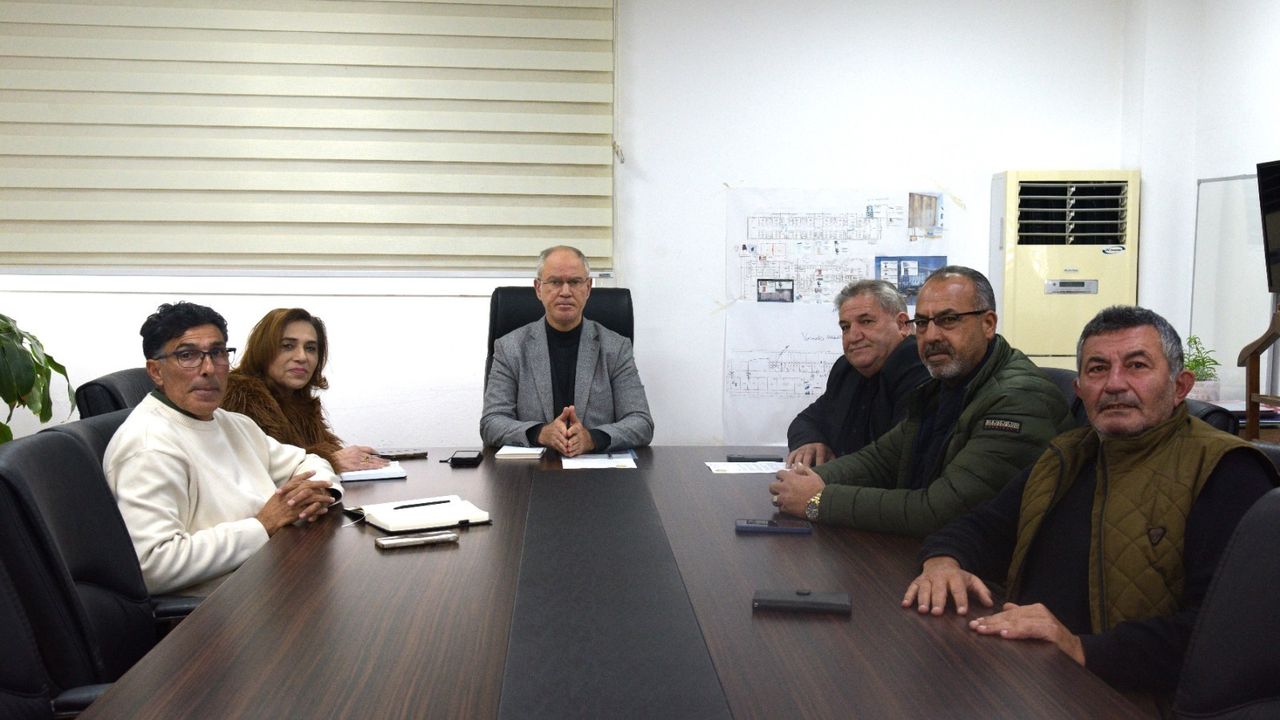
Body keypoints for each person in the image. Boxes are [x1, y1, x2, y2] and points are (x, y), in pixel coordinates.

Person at [902, 305, 1278, 699]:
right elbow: (982, 526)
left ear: (1180, 386)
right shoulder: (1066, 455)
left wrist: (1081, 647)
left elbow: (1228, 632)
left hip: (1127, 697)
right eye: (1097, 369)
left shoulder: (1227, 471)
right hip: (1029, 675)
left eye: (1136, 366)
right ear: (1080, 390)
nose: (1114, 384)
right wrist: (943, 561)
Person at [769, 266, 1073, 535]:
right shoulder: (946, 385)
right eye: (924, 323)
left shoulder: (1019, 399)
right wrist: (805, 480)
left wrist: (818, 500)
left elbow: (940, 510)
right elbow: (880, 459)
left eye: (948, 320)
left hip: (997, 571)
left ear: (988, 324)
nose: (931, 335)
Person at [104, 302, 342, 595]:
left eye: (217, 353)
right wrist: (263, 525)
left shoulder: (232, 423)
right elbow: (153, 565)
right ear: (156, 371)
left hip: (274, 575)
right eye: (187, 355)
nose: (208, 369)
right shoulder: (148, 445)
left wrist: (318, 491)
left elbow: (306, 461)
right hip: (222, 608)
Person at [480, 245, 654, 456]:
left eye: (574, 282)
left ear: (588, 288)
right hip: (533, 469)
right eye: (555, 282)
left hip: (597, 467)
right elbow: (491, 423)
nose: (565, 292)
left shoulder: (615, 348)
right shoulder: (510, 348)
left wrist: (592, 438)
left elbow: (641, 422)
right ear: (538, 288)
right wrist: (540, 433)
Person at [222, 307, 388, 474]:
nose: (302, 357)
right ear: (262, 351)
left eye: (310, 348)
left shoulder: (300, 402)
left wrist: (353, 459)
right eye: (288, 346)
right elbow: (262, 468)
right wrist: (330, 460)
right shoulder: (241, 396)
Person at [786, 279, 929, 466]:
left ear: (902, 325)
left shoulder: (919, 364)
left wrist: (828, 477)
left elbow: (895, 456)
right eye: (845, 327)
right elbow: (807, 420)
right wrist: (810, 441)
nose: (853, 337)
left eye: (866, 322)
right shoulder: (846, 369)